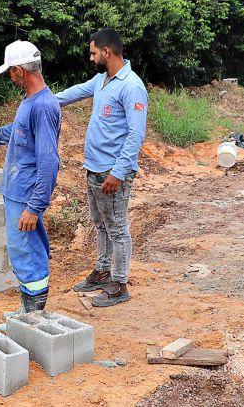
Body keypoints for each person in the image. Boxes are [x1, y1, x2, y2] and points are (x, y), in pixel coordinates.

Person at [55, 28, 148, 307]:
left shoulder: (131, 86)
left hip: (112, 173)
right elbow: (69, 95)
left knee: (117, 227)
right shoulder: (101, 81)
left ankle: (119, 284)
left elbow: (136, 134)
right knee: (101, 224)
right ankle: (102, 271)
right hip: (94, 170)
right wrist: (40, 99)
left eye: (94, 53)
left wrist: (118, 172)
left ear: (106, 52)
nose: (91, 58)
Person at [0, 40, 61, 312]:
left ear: (21, 71)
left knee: (27, 253)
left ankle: (34, 314)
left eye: (10, 71)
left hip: (26, 196)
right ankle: (28, 309)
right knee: (23, 251)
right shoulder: (30, 101)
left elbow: (48, 162)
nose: (10, 77)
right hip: (16, 191)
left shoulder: (43, 106)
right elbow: (17, 131)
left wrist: (34, 208)